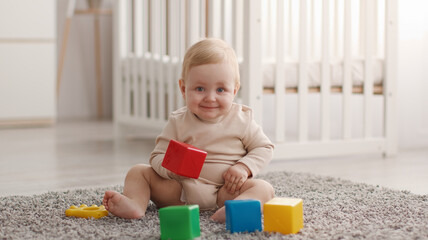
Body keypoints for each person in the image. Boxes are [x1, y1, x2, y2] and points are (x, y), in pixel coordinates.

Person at [103, 38, 274, 223]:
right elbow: (157, 157)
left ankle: (234, 209)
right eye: (200, 89)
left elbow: (264, 147)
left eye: (221, 89)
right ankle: (136, 204)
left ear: (234, 91)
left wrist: (243, 167)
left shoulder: (243, 119)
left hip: (226, 191)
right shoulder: (178, 121)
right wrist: (173, 170)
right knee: (138, 172)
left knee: (264, 188)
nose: (210, 98)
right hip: (180, 191)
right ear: (184, 89)